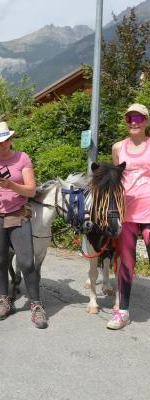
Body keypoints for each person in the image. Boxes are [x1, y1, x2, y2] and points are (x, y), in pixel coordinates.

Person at [0, 122, 48, 328]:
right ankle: (4, 299)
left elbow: (31, 191)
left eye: (3, 141)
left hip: (18, 214)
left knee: (26, 263)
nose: (0, 146)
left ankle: (36, 305)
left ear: (10, 140)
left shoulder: (22, 158)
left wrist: (12, 185)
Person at [108, 103, 150, 330]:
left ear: (146, 121)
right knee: (126, 262)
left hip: (149, 209)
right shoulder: (118, 148)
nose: (134, 121)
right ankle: (122, 311)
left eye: (139, 117)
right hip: (127, 213)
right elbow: (116, 179)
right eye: (130, 118)